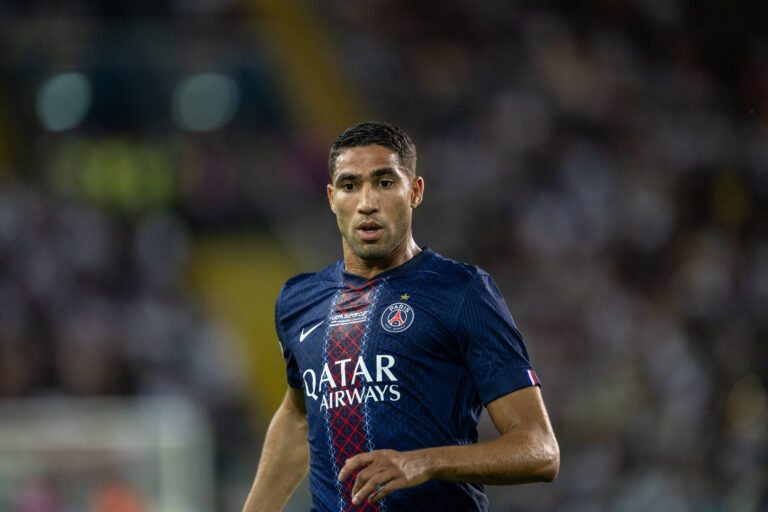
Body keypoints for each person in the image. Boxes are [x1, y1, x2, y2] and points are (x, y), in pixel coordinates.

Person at [242, 122, 559, 512]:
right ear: (331, 197)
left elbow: (541, 450)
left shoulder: (461, 290)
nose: (366, 203)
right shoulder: (298, 300)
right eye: (349, 185)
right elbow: (298, 414)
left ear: (415, 191)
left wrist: (423, 461)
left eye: (385, 182)